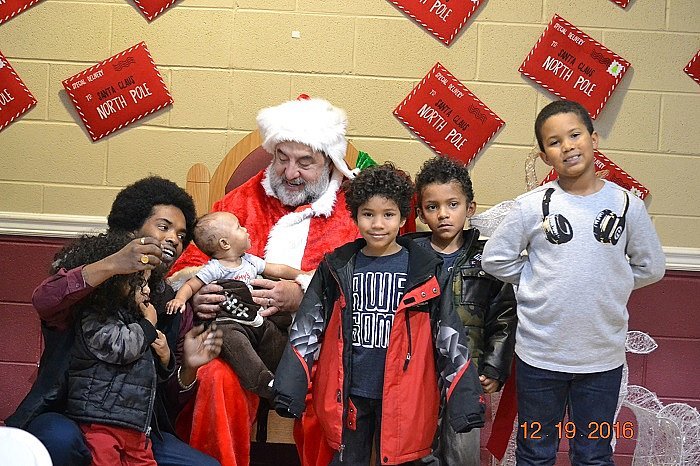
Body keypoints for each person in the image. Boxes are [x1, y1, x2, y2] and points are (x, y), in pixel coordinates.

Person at [170, 96, 361, 466]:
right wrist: (199, 294)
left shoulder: (353, 210)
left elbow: (368, 283)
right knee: (214, 376)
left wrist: (303, 295)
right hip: (242, 338)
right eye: (282, 158)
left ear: (329, 161)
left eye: (305, 162)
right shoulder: (243, 200)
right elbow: (190, 264)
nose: (290, 173)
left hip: (319, 347)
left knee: (332, 389)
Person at [482, 100, 665, 465]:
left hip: (601, 361)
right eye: (554, 142)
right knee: (535, 451)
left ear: (594, 139)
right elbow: (495, 259)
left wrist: (610, 281)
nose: (567, 146)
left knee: (593, 453)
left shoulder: (627, 206)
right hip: (539, 359)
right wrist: (535, 279)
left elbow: (652, 267)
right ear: (545, 156)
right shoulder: (529, 207)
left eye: (575, 135)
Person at [273, 163, 486, 466]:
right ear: (355, 216)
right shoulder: (337, 266)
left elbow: (450, 337)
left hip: (404, 395)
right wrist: (289, 389)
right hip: (349, 392)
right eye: (368, 214)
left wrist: (466, 401)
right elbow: (307, 328)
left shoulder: (425, 270)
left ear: (403, 217)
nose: (377, 224)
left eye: (388, 215)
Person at [6, 176, 223, 466]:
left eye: (182, 235)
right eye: (164, 227)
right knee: (59, 440)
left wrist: (189, 368)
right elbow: (44, 299)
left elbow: (164, 399)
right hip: (70, 414)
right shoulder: (91, 282)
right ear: (131, 228)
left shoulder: (169, 302)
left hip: (135, 429)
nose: (174, 239)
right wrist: (114, 264)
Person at [408, 156, 517, 465]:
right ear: (421, 213)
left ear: (470, 208)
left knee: (462, 453)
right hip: (418, 378)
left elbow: (504, 316)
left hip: (466, 376)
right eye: (432, 207)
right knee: (418, 452)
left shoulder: (488, 259)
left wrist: (494, 367)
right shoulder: (408, 255)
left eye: (452, 204)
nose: (443, 214)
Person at [167, 211, 311, 397]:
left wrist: (304, 276)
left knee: (277, 334)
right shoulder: (215, 268)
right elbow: (190, 285)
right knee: (230, 339)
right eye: (239, 227)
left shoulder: (249, 260)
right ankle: (262, 381)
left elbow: (277, 270)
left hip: (256, 317)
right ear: (225, 244)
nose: (245, 229)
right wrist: (180, 299)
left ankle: (284, 377)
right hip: (231, 322)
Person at [58, 232, 165, 465]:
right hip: (100, 420)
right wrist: (148, 325)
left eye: (148, 283)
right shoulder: (96, 315)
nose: (147, 290)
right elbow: (121, 347)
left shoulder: (134, 319)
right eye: (140, 283)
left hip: (134, 424)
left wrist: (165, 356)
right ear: (115, 282)